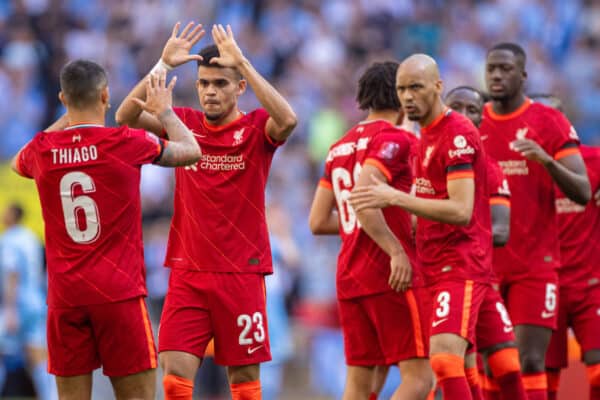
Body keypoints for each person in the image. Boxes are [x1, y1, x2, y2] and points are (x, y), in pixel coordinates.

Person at [116, 22, 297, 400]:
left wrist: (243, 62)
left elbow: (289, 121)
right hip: (188, 271)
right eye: (204, 84)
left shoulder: (255, 128)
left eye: (220, 83)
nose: (210, 92)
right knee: (174, 375)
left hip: (242, 273)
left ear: (239, 88)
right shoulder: (184, 124)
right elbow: (125, 118)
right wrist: (162, 65)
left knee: (244, 380)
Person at [11, 59, 201, 400]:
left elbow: (16, 162)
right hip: (119, 293)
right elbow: (191, 151)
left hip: (66, 298)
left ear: (63, 98)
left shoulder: (42, 149)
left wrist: (69, 115)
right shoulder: (126, 142)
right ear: (106, 96)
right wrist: (167, 114)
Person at [350, 54, 492, 400]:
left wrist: (394, 199)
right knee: (461, 368)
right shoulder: (422, 136)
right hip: (429, 265)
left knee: (443, 361)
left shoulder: (457, 132)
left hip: (460, 262)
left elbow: (460, 210)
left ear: (437, 86)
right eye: (401, 89)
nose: (408, 96)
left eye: (416, 87)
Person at [309, 61, 433, 400]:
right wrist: (395, 250)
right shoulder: (397, 139)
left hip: (350, 275)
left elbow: (318, 221)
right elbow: (364, 199)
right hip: (390, 274)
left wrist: (361, 225)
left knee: (360, 383)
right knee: (420, 378)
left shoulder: (339, 146)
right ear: (401, 93)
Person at [480, 42, 591, 400]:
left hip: (535, 266)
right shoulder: (474, 125)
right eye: (492, 68)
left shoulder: (548, 122)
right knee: (491, 366)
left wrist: (546, 160)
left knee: (530, 361)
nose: (497, 75)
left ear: (523, 75)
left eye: (506, 69)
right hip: (486, 267)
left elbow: (583, 191)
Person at [446, 86, 527, 400]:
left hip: (479, 277)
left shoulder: (490, 169)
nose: (465, 116)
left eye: (473, 110)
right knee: (442, 366)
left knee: (507, 361)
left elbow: (501, 231)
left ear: (482, 118)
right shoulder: (424, 157)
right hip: (439, 278)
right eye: (457, 107)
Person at [532, 95, 600, 400]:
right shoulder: (516, 168)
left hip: (590, 286)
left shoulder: (593, 161)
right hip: (543, 288)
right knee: (543, 380)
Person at [0, 204, 57, 400]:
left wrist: (9, 309)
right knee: (38, 356)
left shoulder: (9, 239)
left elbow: (12, 272)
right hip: (36, 300)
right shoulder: (31, 237)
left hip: (18, 304)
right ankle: (50, 396)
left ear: (12, 215)